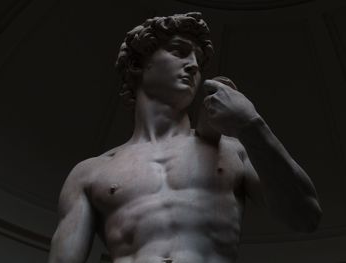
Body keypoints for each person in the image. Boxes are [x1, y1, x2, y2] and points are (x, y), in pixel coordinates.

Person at [48, 12, 322, 263]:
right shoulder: (90, 173)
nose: (192, 65)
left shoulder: (232, 150)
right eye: (179, 52)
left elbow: (306, 216)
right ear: (137, 64)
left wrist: (251, 124)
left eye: (198, 60)